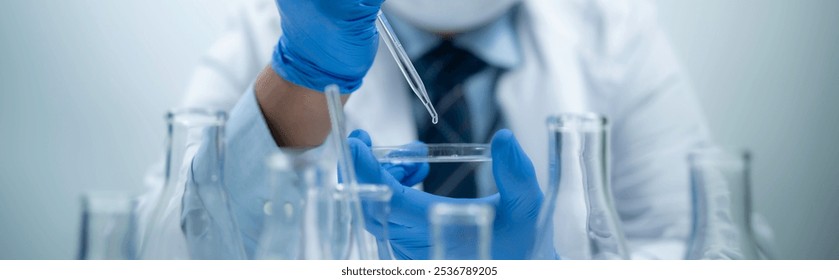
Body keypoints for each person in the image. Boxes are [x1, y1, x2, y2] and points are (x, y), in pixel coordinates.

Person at [168, 0, 714, 259]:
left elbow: (706, 251)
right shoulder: (280, 21)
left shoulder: (612, 30)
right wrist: (300, 81)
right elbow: (171, 249)